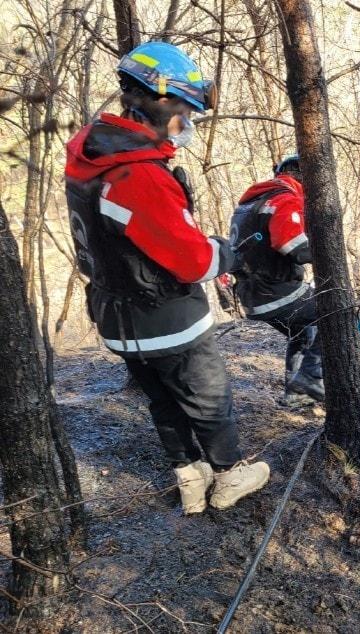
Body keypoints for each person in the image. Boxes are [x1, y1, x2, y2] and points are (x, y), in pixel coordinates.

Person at [64, 42, 269, 514]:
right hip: (166, 317)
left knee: (162, 400)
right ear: (159, 103)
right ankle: (230, 474)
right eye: (186, 111)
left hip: (116, 320)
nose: (189, 124)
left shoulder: (90, 157)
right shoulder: (139, 177)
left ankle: (189, 478)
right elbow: (193, 261)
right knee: (208, 397)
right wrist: (225, 253)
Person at [229, 155, 324, 405]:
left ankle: (296, 394)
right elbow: (292, 246)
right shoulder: (285, 199)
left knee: (302, 332)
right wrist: (327, 253)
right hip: (277, 291)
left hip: (252, 294)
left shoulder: (249, 204)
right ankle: (311, 377)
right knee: (338, 312)